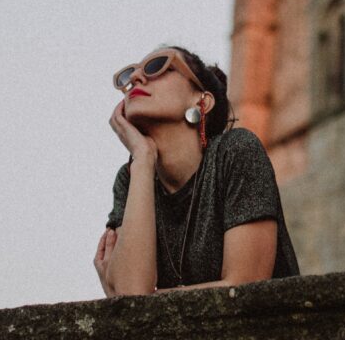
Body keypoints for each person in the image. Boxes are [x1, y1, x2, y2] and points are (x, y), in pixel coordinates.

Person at [93, 46, 299, 296]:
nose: (136, 78)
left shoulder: (235, 152)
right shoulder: (131, 177)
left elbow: (246, 287)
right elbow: (132, 297)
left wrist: (149, 296)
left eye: (157, 66)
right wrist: (143, 158)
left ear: (202, 100)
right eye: (129, 75)